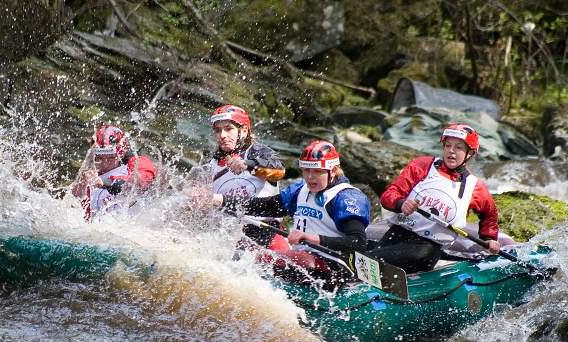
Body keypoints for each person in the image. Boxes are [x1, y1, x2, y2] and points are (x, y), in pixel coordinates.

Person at [209, 140, 371, 282]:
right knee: (251, 254)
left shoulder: (346, 197)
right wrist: (221, 200)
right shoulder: (300, 190)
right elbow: (268, 206)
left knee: (283, 258)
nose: (310, 177)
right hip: (304, 260)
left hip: (336, 266)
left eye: (316, 171)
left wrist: (312, 238)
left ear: (333, 171)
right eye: (306, 170)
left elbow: (358, 242)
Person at [370, 123, 500, 273]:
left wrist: (489, 238)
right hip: (398, 234)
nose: (451, 151)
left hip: (427, 249)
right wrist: (401, 203)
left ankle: (368, 263)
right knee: (374, 263)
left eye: (458, 147)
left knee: (422, 253)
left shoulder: (475, 187)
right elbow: (389, 194)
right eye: (448, 145)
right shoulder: (422, 166)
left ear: (469, 153)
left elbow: (489, 215)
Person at [71, 124, 157, 221]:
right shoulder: (91, 177)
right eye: (98, 156)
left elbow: (140, 182)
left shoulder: (138, 163)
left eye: (109, 156)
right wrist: (81, 185)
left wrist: (106, 182)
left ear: (119, 155)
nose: (103, 161)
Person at [206, 104, 284, 199]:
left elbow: (279, 173)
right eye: (218, 130)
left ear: (244, 131)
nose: (222, 135)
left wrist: (248, 165)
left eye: (228, 129)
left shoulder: (259, 152)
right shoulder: (212, 163)